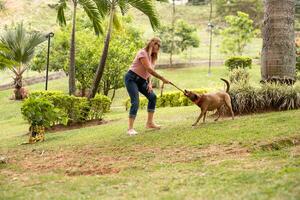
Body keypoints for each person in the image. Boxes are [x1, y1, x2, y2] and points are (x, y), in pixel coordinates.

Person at [124, 37, 170, 135]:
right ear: (152, 44)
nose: (158, 48)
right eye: (158, 45)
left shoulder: (152, 57)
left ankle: (149, 123)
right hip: (131, 78)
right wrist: (162, 78)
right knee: (135, 101)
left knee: (152, 97)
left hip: (142, 81)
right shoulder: (142, 53)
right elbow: (148, 69)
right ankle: (130, 129)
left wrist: (149, 83)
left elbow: (147, 72)